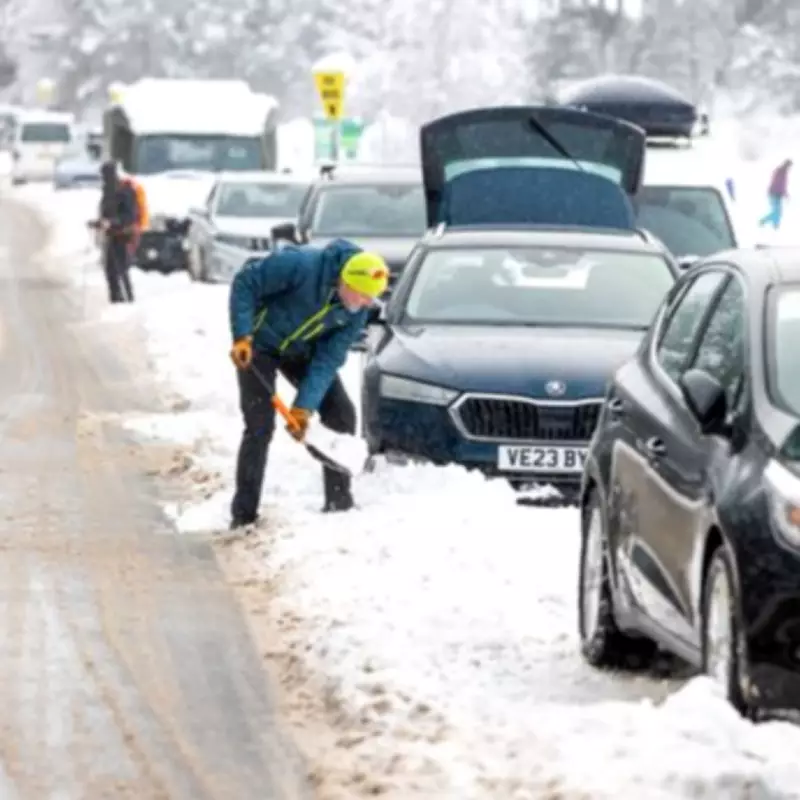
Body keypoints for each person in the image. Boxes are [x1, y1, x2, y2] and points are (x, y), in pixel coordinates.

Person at [228, 239, 389, 529]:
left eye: (371, 298)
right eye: (363, 296)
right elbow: (245, 283)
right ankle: (244, 515)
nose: (367, 304)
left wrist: (304, 408)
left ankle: (339, 503)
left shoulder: (356, 312)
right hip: (258, 346)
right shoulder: (299, 265)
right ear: (345, 282)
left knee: (341, 413)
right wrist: (242, 334)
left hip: (303, 351)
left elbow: (328, 359)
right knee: (259, 427)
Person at [97, 160, 138, 303]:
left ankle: (127, 299)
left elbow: (130, 216)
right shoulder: (108, 191)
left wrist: (112, 222)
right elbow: (107, 213)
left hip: (124, 236)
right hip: (111, 236)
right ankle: (115, 299)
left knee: (121, 269)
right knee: (110, 270)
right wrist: (98, 223)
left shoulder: (126, 191)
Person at [759, 158, 793, 231]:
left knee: (778, 212)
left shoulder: (784, 172)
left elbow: (783, 185)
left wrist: (785, 193)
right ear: (787, 165)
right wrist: (783, 193)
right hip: (774, 193)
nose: (790, 168)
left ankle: (775, 225)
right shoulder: (780, 171)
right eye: (790, 166)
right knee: (776, 211)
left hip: (778, 194)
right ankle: (763, 221)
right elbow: (777, 183)